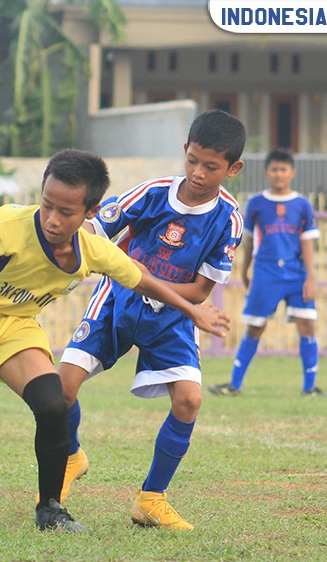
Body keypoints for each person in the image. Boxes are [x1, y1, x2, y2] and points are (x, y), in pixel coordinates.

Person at [0, 149, 232, 533]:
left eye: (66, 212)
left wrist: (194, 311)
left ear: (90, 212)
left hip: (15, 327)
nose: (53, 219)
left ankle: (51, 510)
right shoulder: (8, 225)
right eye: (46, 205)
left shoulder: (93, 250)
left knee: (53, 403)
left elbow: (141, 278)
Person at [58, 110, 247, 531]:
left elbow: (199, 293)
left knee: (189, 399)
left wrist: (146, 281)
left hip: (175, 315)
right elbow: (94, 231)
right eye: (193, 160)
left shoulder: (229, 220)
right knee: (62, 387)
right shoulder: (152, 193)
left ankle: (151, 498)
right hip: (116, 299)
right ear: (185, 151)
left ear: (233, 169)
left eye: (211, 166)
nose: (198, 173)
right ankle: (71, 456)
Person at [208, 147, 321, 397]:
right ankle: (234, 384)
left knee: (307, 325)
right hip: (265, 273)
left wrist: (311, 277)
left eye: (283, 169)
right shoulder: (257, 203)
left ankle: (310, 387)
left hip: (296, 273)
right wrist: (245, 270)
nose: (279, 174)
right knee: (255, 327)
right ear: (267, 172)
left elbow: (307, 241)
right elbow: (248, 240)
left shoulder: (302, 204)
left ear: (292, 172)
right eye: (274, 169)